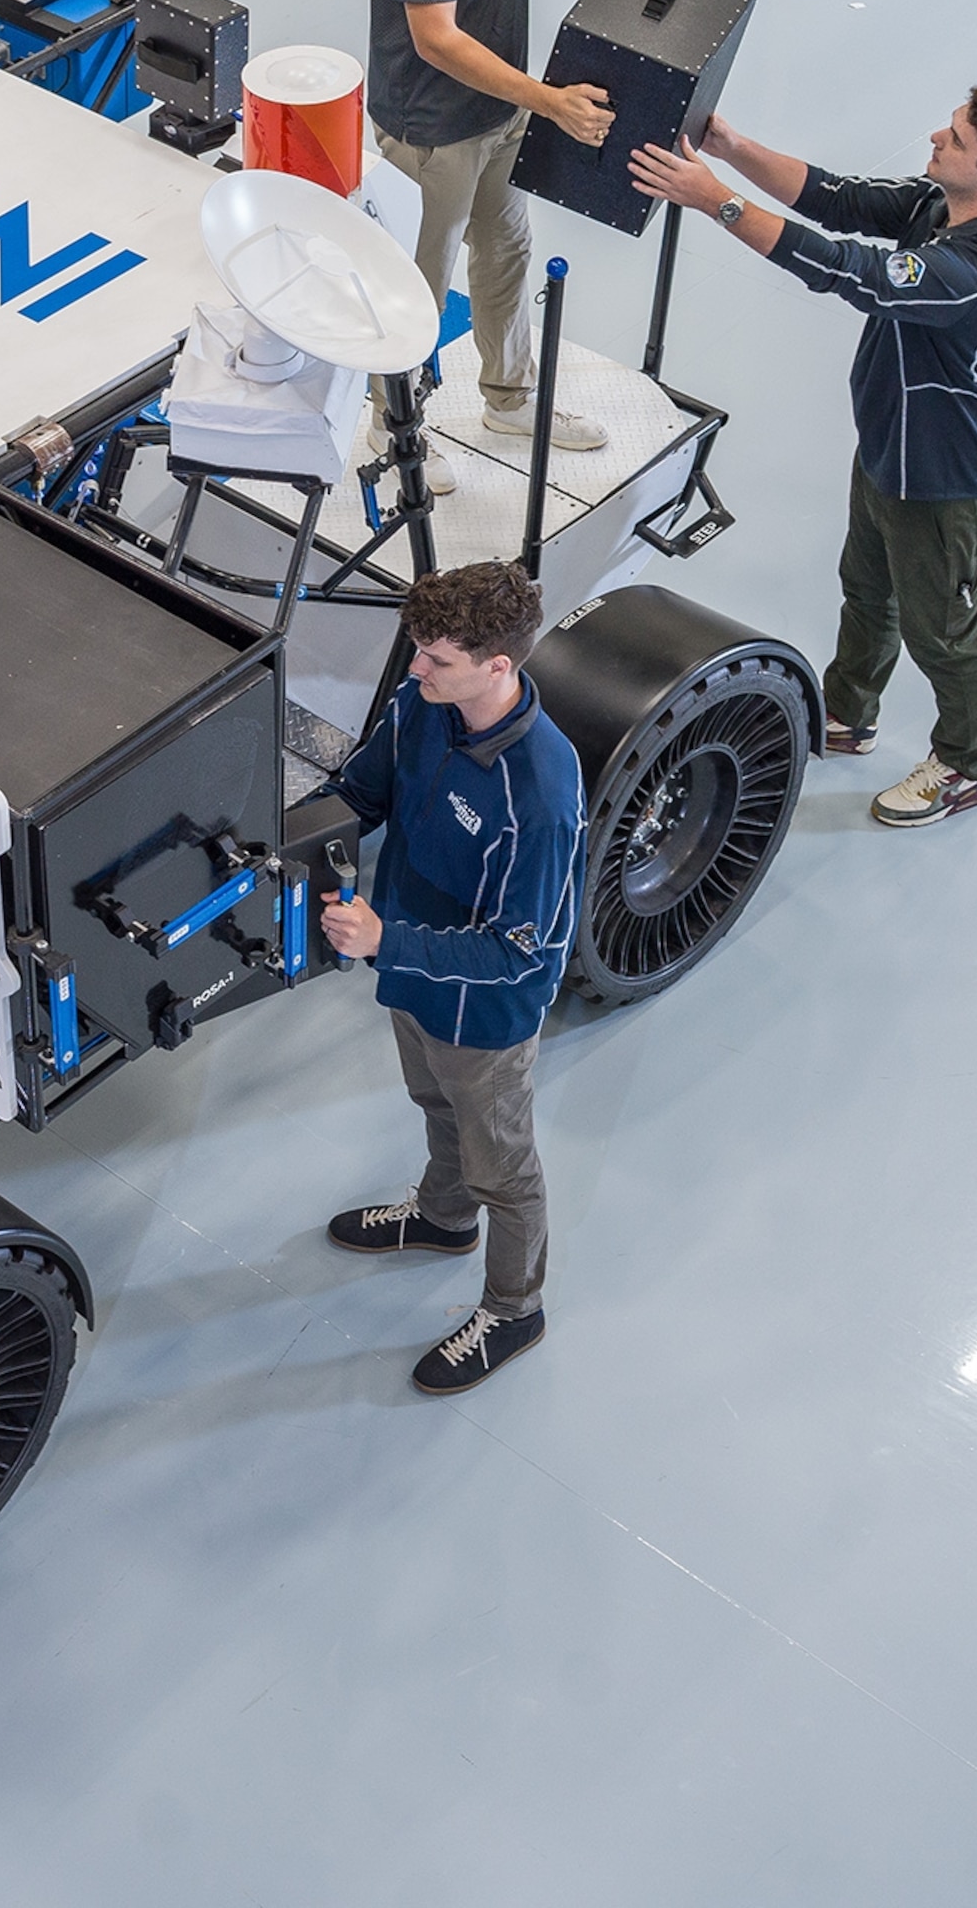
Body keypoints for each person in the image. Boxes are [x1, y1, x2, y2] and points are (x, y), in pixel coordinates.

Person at [626, 78, 977, 825]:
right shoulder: (945, 206)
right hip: (889, 452)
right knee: (866, 591)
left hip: (947, 485)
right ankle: (848, 715)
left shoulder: (975, 274)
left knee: (945, 636)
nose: (936, 137)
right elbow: (837, 199)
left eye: (956, 139)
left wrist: (716, 201)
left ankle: (964, 765)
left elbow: (847, 269)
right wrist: (731, 148)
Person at [320, 559, 583, 1392]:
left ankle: (515, 1308)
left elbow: (518, 952)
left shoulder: (539, 793)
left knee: (502, 1167)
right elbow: (361, 793)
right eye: (417, 648)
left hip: (484, 1014)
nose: (415, 667)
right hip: (407, 968)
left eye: (436, 658)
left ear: (497, 665)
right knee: (434, 1102)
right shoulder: (420, 707)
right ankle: (441, 1217)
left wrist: (385, 938)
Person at [368, 0, 618, 493]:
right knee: (418, 281)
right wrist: (548, 100)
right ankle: (392, 423)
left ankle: (511, 398)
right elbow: (434, 37)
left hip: (500, 103)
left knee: (507, 248)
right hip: (433, 125)